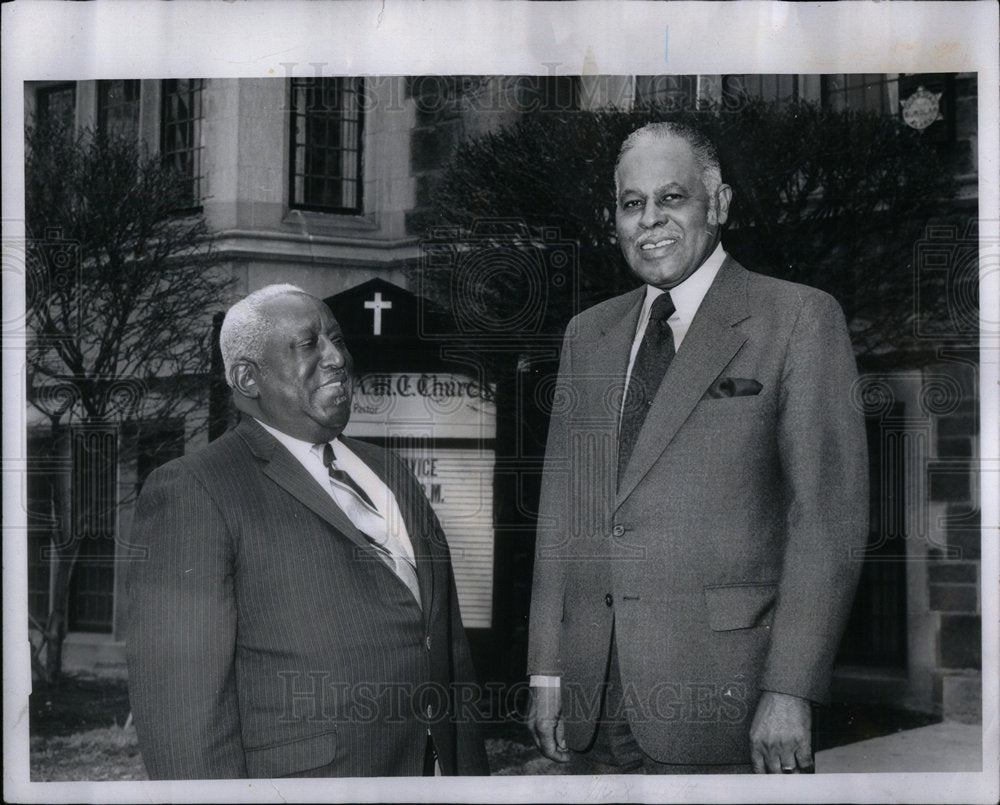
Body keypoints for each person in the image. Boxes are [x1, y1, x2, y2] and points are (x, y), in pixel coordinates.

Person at [526, 122, 868, 774]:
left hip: (726, 705)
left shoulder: (796, 318)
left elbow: (826, 521)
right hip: (592, 706)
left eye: (672, 197)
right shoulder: (587, 335)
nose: (649, 220)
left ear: (718, 204)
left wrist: (791, 688)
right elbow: (563, 516)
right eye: (632, 203)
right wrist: (546, 669)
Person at [126, 284, 489, 778]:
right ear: (247, 378)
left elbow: (445, 643)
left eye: (338, 340)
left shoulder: (391, 470)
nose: (338, 357)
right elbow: (181, 706)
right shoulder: (196, 488)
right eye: (308, 344)